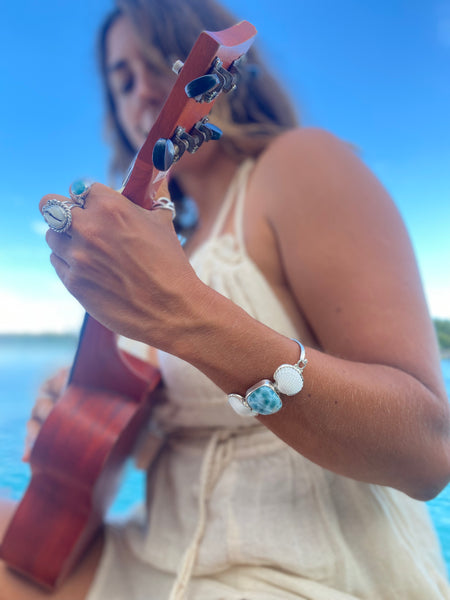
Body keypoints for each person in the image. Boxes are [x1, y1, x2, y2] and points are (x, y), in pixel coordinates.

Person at [1, 0, 450, 598]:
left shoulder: (300, 163)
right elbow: (157, 450)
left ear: (212, 75)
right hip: (154, 547)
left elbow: (428, 452)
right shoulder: (171, 244)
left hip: (289, 572)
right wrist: (85, 409)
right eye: (122, 80)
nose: (141, 94)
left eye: (160, 62)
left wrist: (183, 315)